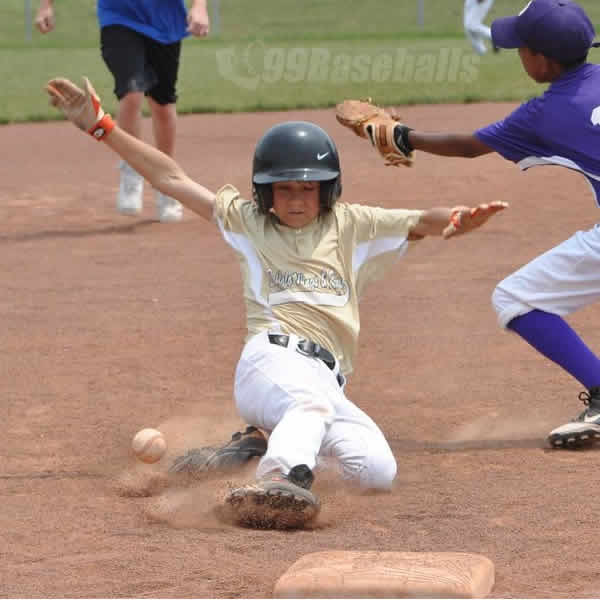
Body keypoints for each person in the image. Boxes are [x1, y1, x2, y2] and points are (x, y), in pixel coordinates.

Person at [44, 76, 507, 529]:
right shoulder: (248, 223)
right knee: (306, 405)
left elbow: (423, 220)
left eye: (308, 187)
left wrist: (458, 219)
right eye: (284, 188)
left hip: (327, 382)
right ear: (265, 192)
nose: (297, 198)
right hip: (270, 362)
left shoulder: (352, 225)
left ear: (328, 189)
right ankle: (276, 479)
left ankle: (258, 450)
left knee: (375, 472)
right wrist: (101, 124)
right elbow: (172, 178)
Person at [338, 0, 600, 450]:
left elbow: (467, 146)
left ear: (542, 59)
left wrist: (403, 136)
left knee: (517, 297)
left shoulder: (544, 113)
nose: (518, 55)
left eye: (521, 48)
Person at [35, 0, 210, 223]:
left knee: (163, 106)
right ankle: (132, 169)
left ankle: (169, 184)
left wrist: (199, 7)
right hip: (118, 17)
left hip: (165, 23)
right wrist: (45, 6)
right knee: (131, 92)